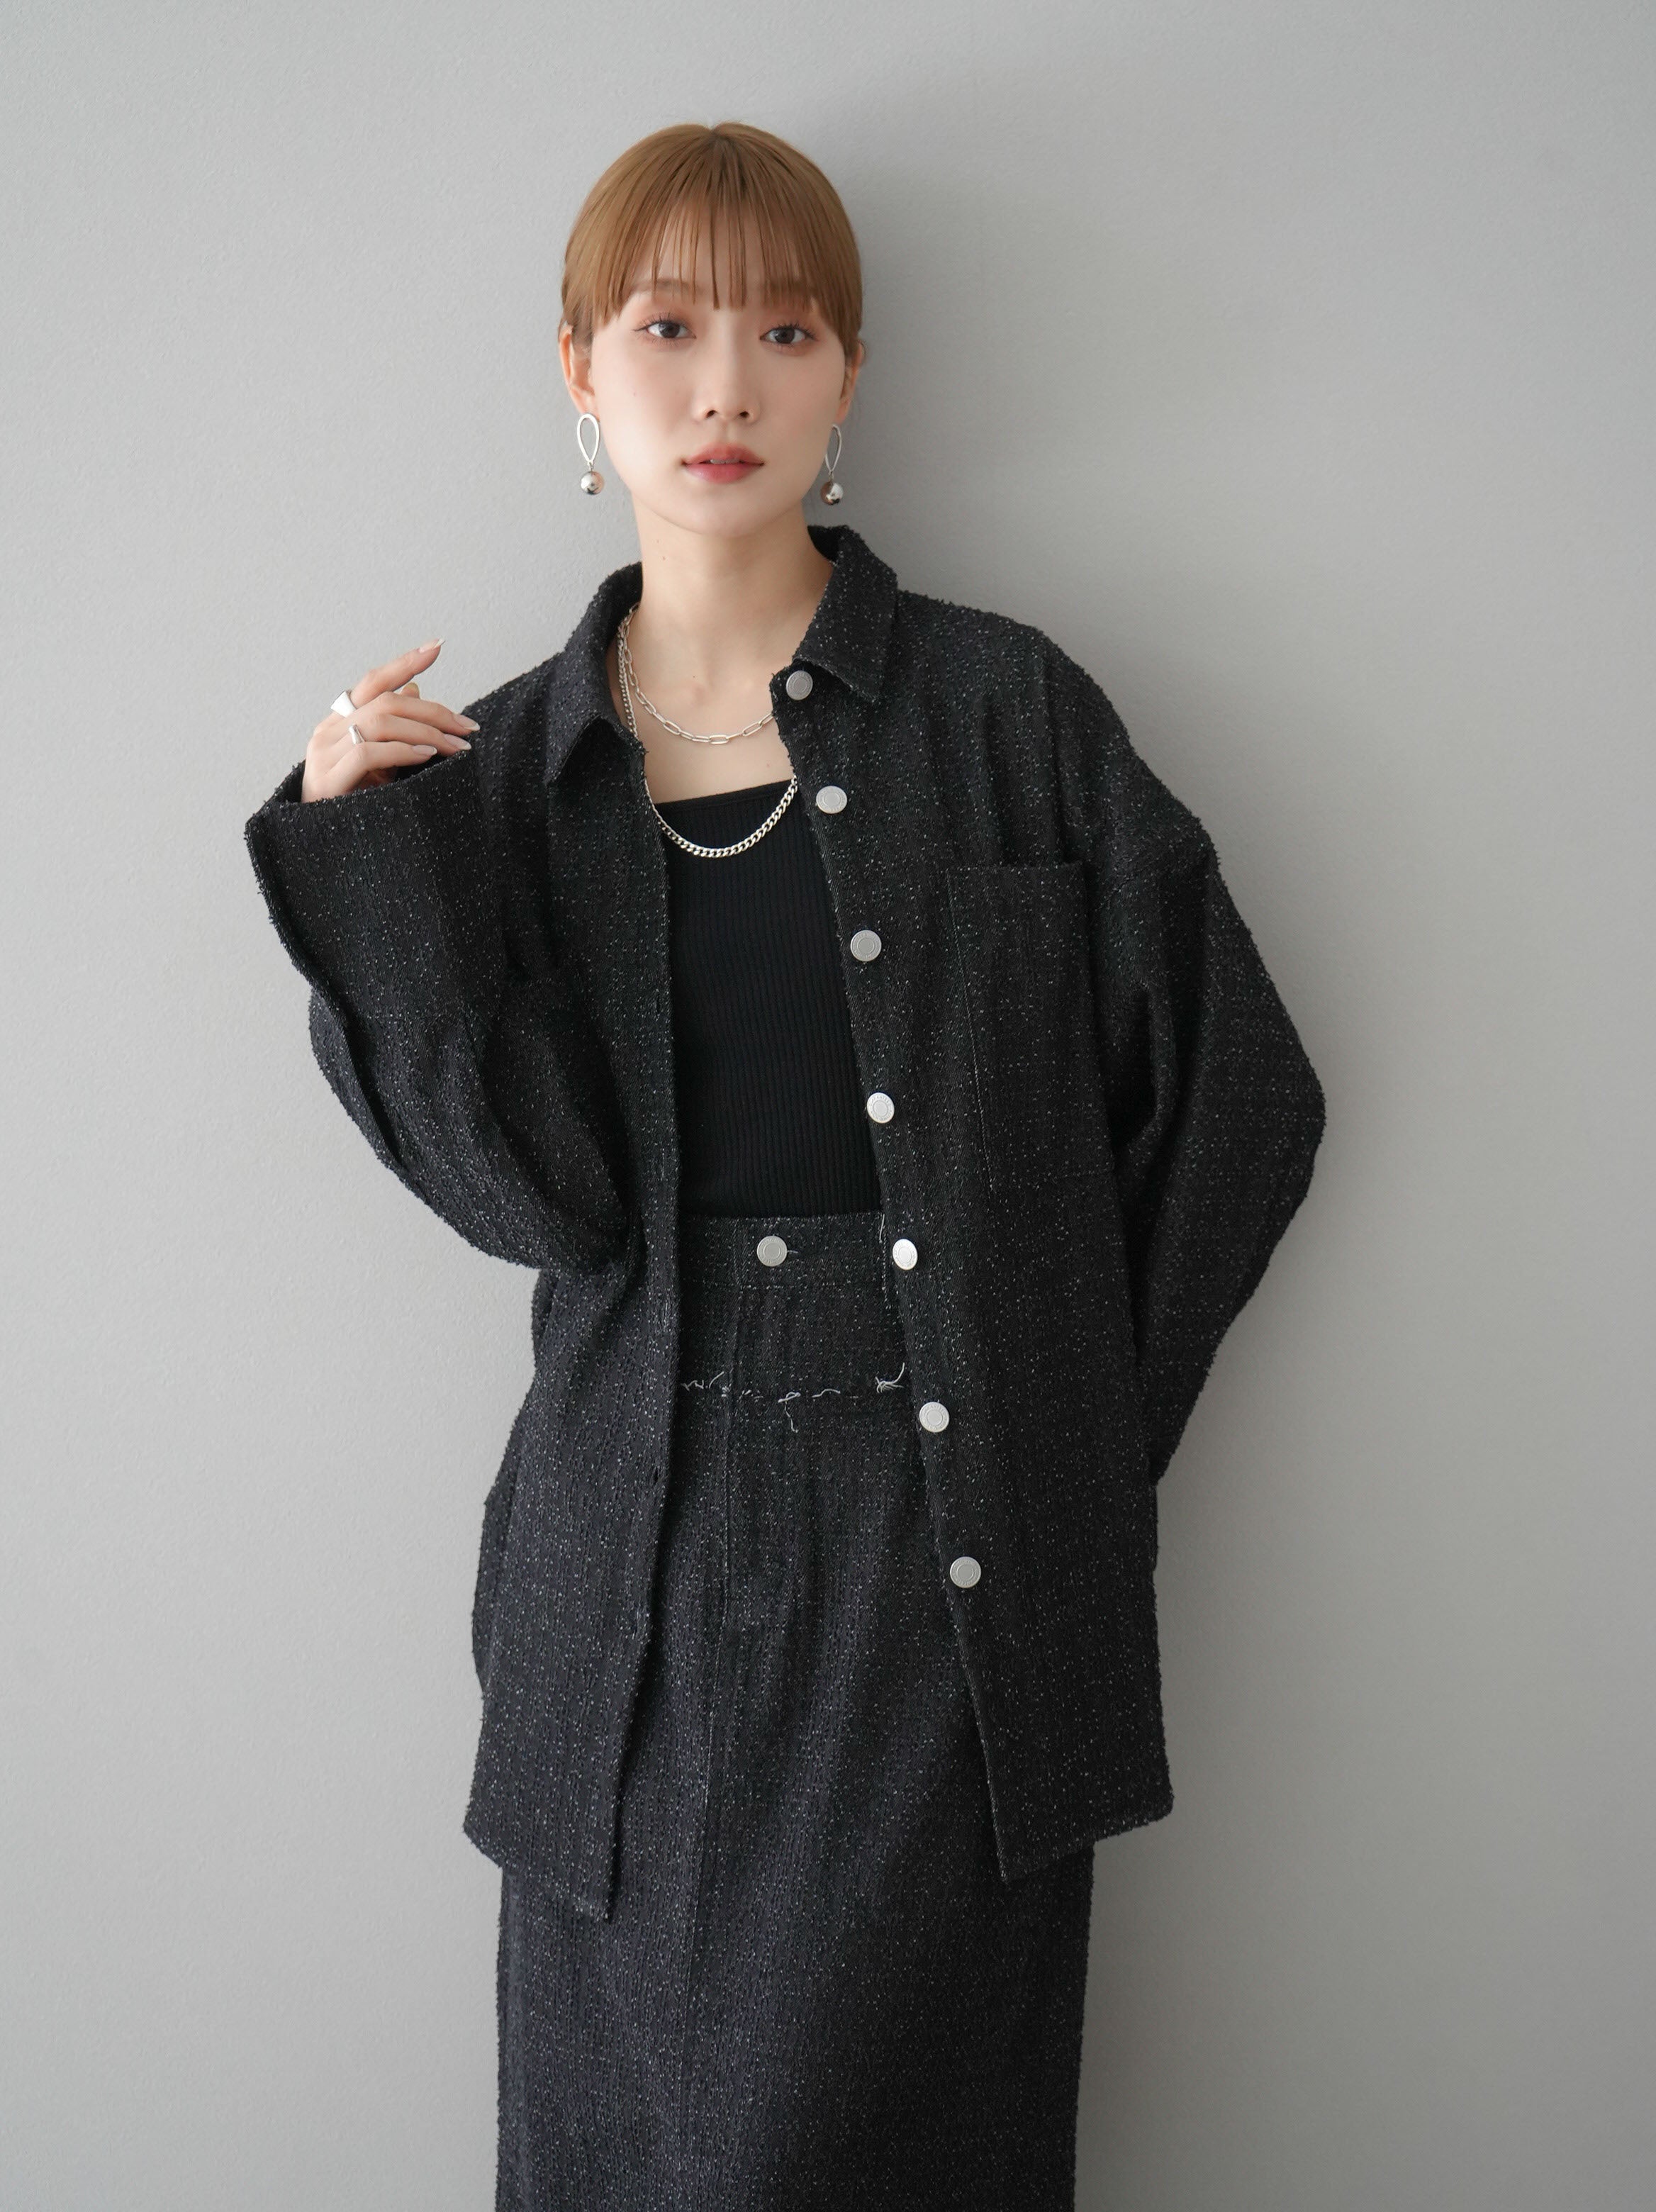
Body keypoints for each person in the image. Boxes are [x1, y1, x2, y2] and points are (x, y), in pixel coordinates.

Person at [245, 119, 1325, 2212]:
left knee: (863, 2146)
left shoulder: (1004, 714)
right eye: (668, 329)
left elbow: (1243, 1103)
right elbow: (530, 1206)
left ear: (849, 379)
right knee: (629, 2154)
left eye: (785, 330)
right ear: (579, 372)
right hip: (621, 1586)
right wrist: (375, 860)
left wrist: (1064, 1426)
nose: (725, 383)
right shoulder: (507, 776)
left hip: (954, 1582)